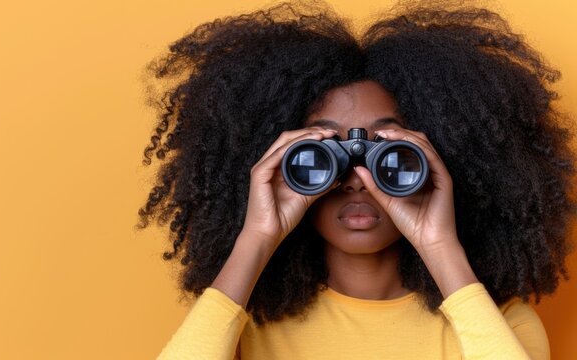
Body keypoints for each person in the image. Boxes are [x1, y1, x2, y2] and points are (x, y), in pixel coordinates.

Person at [137, 1, 575, 359]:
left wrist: (439, 245)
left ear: (442, 158)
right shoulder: (244, 324)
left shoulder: (497, 321)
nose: (356, 180)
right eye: (320, 155)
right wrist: (257, 235)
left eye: (391, 155)